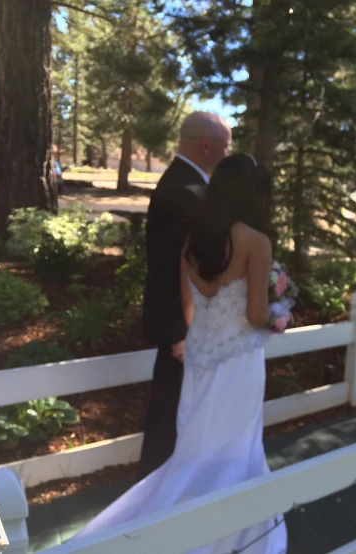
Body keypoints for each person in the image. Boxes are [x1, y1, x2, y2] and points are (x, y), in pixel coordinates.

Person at [74, 154, 287, 554]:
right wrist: (276, 315)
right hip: (239, 360)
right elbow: (255, 313)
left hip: (200, 357)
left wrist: (206, 334)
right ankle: (229, 532)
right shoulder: (256, 241)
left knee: (195, 444)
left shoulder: (193, 240)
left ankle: (180, 519)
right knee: (235, 445)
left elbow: (188, 307)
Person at [140, 112, 232, 479]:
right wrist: (179, 330)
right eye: (225, 147)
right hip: (181, 327)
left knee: (179, 414)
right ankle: (153, 496)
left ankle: (168, 488)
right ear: (206, 145)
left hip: (187, 323)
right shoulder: (185, 193)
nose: (227, 155)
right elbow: (172, 267)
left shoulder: (186, 185)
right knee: (169, 415)